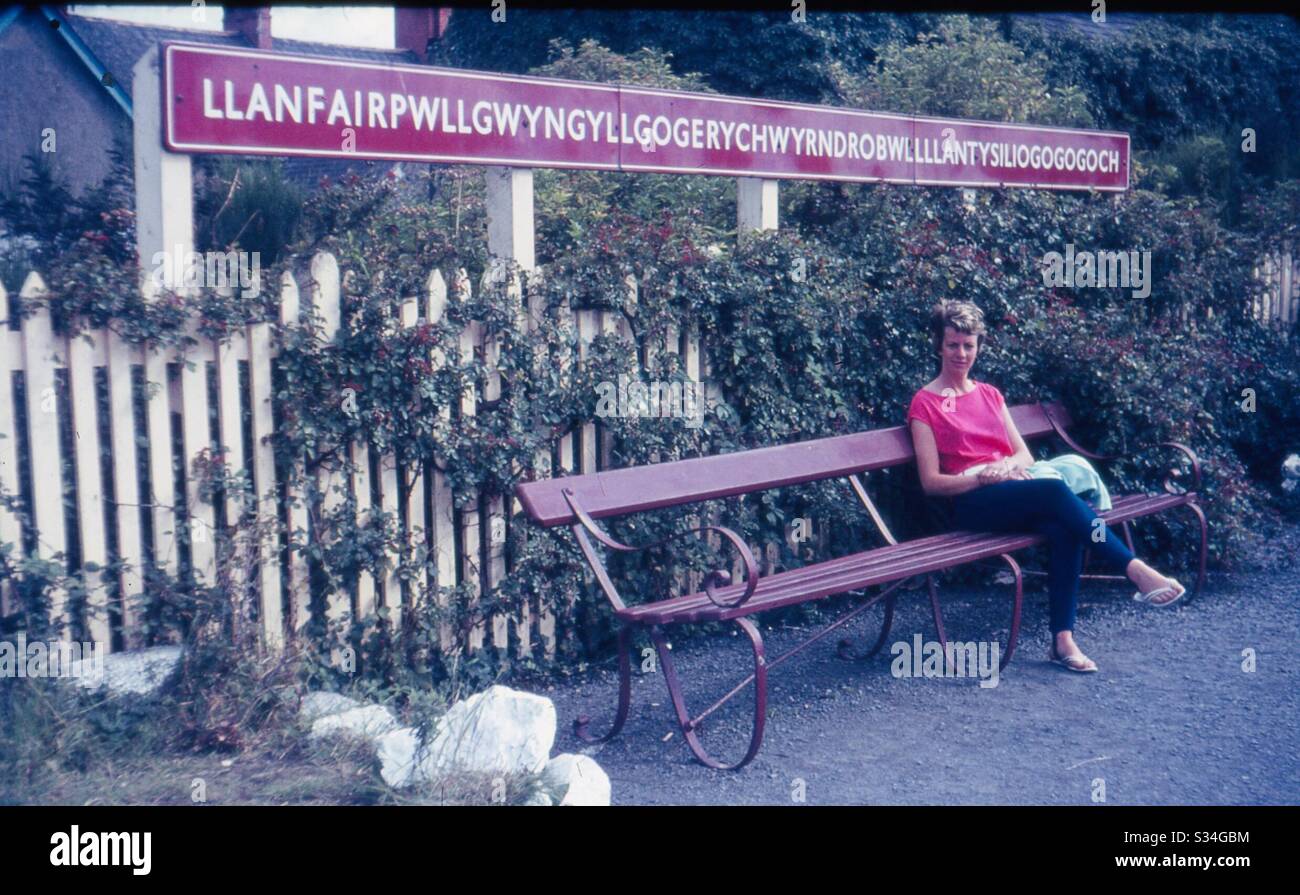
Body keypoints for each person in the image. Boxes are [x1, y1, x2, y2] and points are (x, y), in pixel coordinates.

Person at [906, 300, 1186, 673]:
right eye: (953, 344)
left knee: (1063, 527)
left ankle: (1063, 640)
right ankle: (1133, 569)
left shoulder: (990, 395)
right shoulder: (924, 404)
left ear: (979, 346)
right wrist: (982, 476)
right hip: (971, 503)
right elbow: (930, 483)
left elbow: (1024, 456)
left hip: (1012, 491)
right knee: (1056, 495)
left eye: (969, 345)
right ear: (938, 345)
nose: (961, 353)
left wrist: (1005, 467)